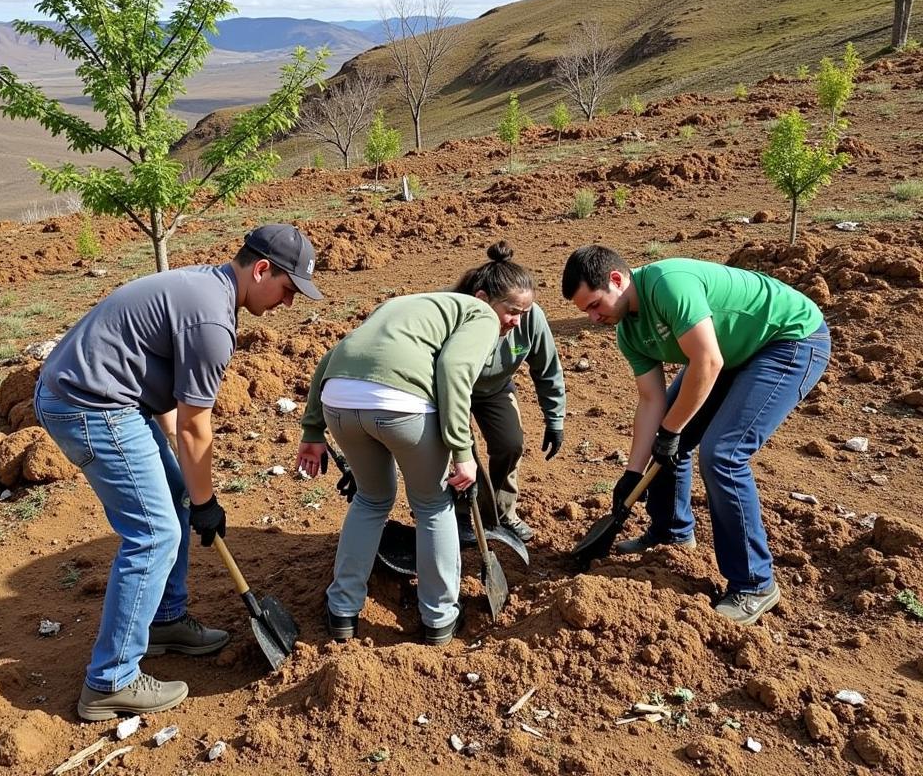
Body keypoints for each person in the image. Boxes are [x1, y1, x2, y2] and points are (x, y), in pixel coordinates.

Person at [34, 224, 322, 720]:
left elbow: (171, 399)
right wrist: (207, 501)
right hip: (88, 404)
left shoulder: (206, 289)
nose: (288, 303)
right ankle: (110, 681)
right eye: (288, 289)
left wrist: (191, 489)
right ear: (261, 270)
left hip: (106, 398)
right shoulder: (212, 323)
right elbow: (194, 426)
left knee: (176, 498)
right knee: (154, 533)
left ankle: (164, 621)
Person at [561, 246, 830, 626]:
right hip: (730, 352)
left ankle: (754, 583)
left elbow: (707, 362)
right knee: (666, 439)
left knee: (722, 454)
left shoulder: (668, 285)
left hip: (787, 340)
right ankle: (671, 531)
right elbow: (651, 401)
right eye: (585, 311)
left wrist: (673, 430)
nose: (592, 317)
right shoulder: (629, 332)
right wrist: (632, 474)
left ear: (617, 281)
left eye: (594, 304)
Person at [296, 292, 501, 646]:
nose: (513, 321)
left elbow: (332, 357)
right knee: (432, 505)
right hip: (403, 407)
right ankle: (439, 619)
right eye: (513, 312)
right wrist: (461, 450)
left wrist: (313, 429)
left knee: (371, 500)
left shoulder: (396, 310)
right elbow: (453, 369)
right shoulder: (482, 315)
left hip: (340, 403)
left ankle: (342, 612)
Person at [451, 242, 566, 544]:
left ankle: (502, 513)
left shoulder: (529, 318)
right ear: (483, 300)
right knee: (463, 453)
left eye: (523, 312)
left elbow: (547, 369)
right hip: (450, 389)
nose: (518, 320)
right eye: (512, 311)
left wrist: (555, 420)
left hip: (495, 388)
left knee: (510, 444)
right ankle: (462, 513)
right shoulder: (454, 312)